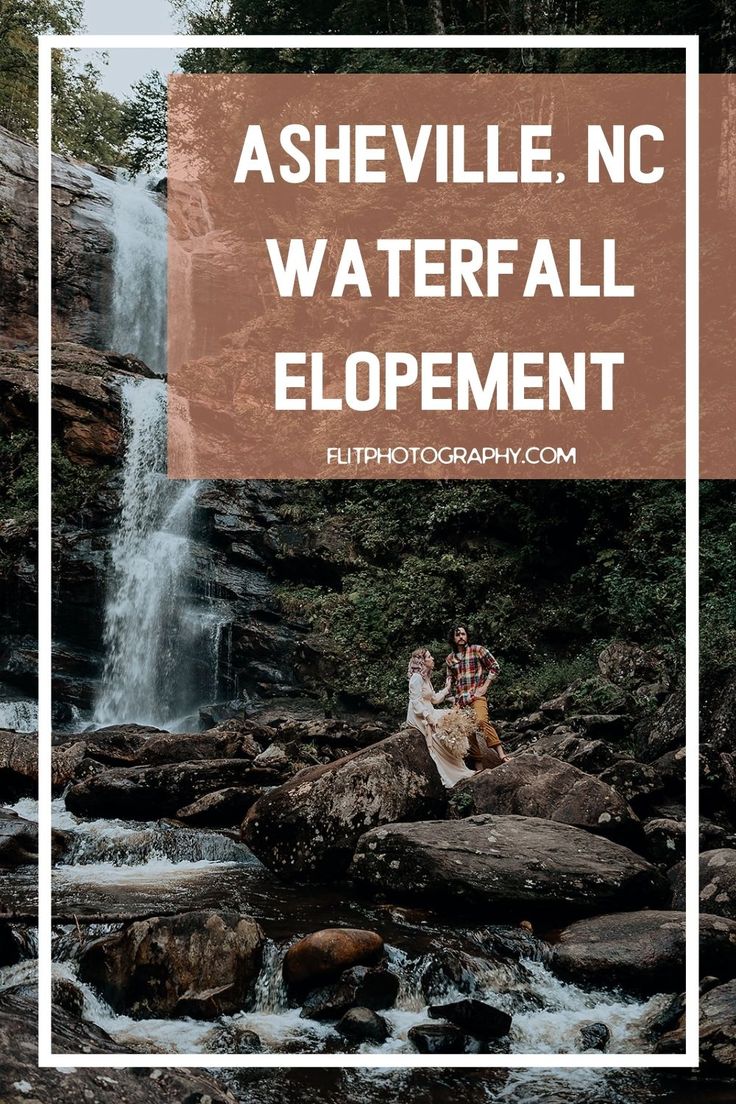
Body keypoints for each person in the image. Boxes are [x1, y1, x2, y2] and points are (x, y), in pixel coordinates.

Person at [406, 647, 475, 788]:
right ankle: (451, 772)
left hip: (428, 709)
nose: (432, 659)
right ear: (422, 662)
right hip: (419, 714)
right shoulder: (416, 678)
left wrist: (446, 689)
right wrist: (428, 718)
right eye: (429, 657)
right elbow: (415, 702)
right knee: (441, 729)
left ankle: (460, 765)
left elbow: (434, 699)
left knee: (452, 719)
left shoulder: (425, 678)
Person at [445, 623, 507, 766]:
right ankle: (478, 767)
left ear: (467, 636)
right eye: (457, 634)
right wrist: (449, 697)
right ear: (453, 638)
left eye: (463, 634)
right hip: (461, 700)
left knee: (481, 721)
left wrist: (485, 686)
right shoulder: (450, 659)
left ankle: (502, 754)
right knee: (468, 731)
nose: (460, 637)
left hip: (476, 695)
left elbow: (495, 667)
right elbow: (449, 680)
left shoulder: (477, 650)